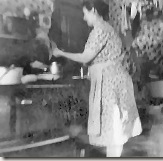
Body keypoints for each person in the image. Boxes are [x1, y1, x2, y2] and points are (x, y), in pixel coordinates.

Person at [52, 0, 142, 157]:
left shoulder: (100, 30)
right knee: (115, 132)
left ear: (93, 10)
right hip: (115, 80)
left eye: (85, 14)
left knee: (112, 131)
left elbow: (86, 57)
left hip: (110, 83)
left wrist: (60, 52)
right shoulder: (107, 28)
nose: (85, 18)